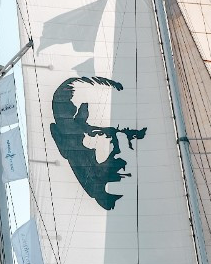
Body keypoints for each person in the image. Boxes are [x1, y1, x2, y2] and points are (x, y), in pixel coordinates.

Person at [49, 77, 147, 211]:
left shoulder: (71, 124)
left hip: (88, 163)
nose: (73, 106)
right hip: (85, 163)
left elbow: (87, 128)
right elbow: (84, 130)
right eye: (69, 103)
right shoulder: (64, 127)